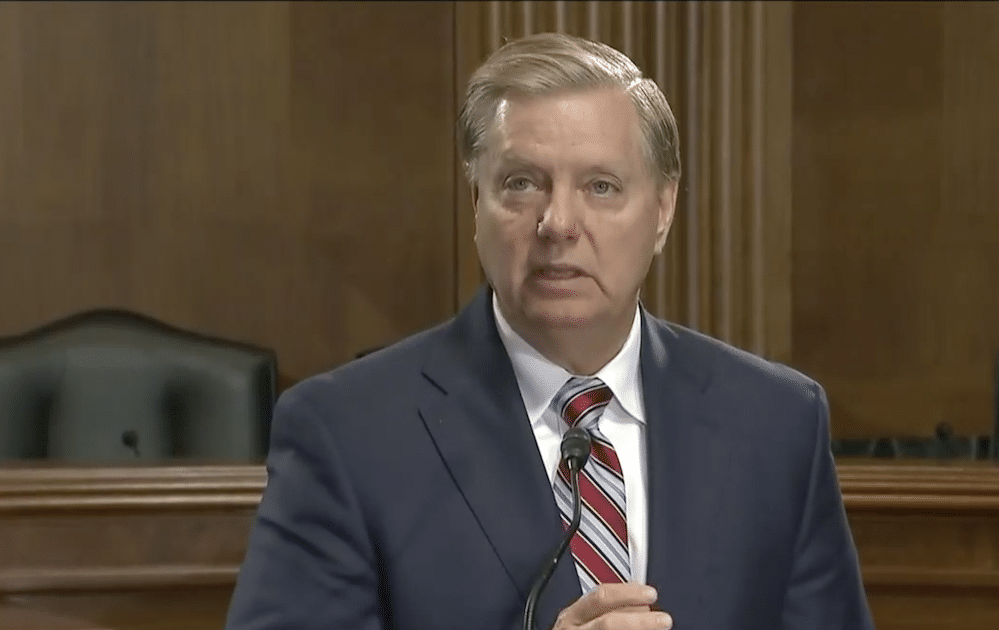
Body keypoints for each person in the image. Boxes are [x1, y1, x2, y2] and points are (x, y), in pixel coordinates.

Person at [225, 32, 873, 630]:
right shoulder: (347, 433)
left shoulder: (776, 423)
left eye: (601, 186)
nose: (558, 223)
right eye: (521, 184)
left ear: (663, 209)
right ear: (476, 204)